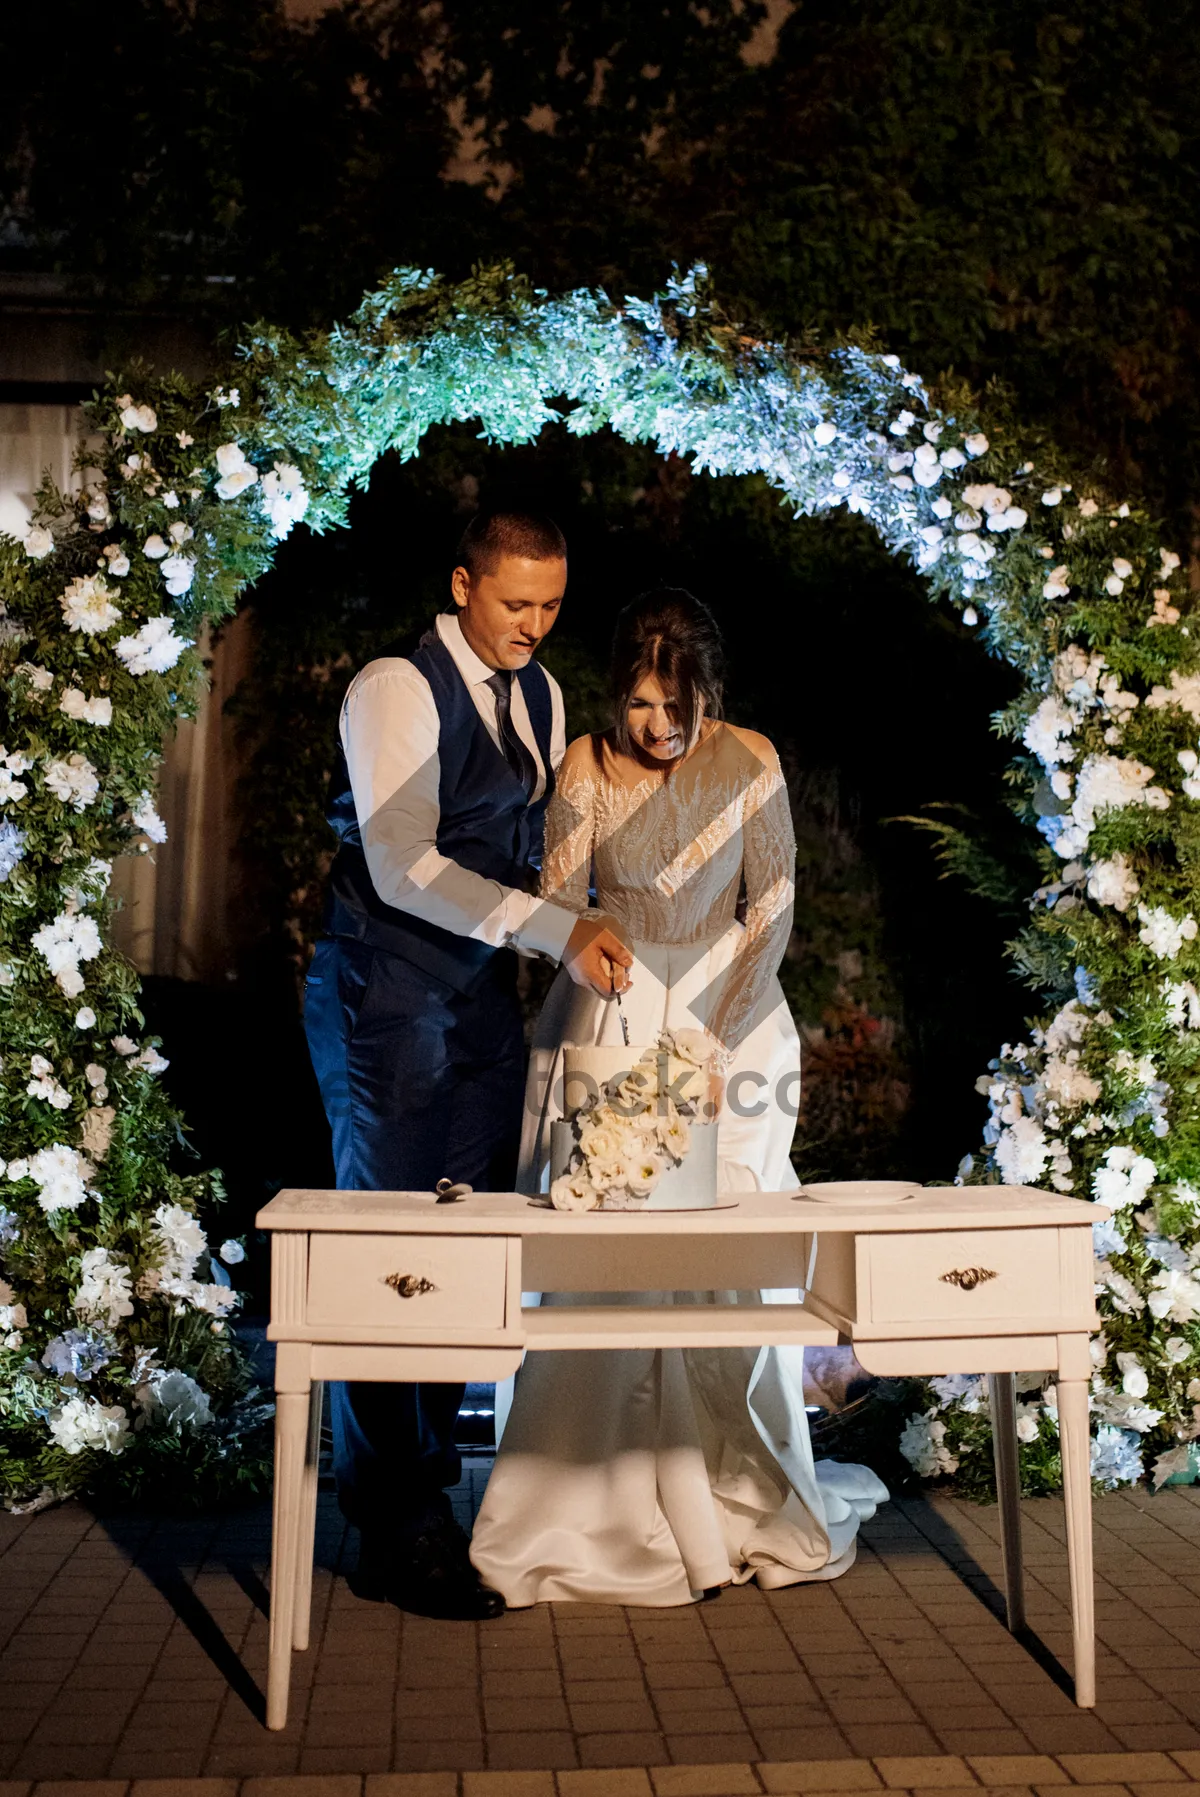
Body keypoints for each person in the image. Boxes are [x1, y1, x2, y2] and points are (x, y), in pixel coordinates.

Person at [470, 587, 886, 1606]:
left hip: (732, 1021)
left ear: (711, 694)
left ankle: (735, 1493)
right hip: (610, 1008)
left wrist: (710, 1042)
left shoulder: (750, 761)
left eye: (677, 706)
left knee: (730, 1268)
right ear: (618, 695)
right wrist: (600, 974)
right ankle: (588, 1503)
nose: (660, 727)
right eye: (642, 705)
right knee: (601, 1265)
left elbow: (774, 908)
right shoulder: (584, 766)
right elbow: (564, 906)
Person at [303, 509, 633, 1621]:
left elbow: (521, 848)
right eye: (512, 604)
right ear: (462, 586)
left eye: (550, 606)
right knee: (390, 1248)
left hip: (480, 1001)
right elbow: (401, 868)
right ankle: (390, 1520)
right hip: (383, 993)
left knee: (467, 1241)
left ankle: (430, 1494)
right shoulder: (396, 686)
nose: (532, 627)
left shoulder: (538, 695)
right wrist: (556, 931)